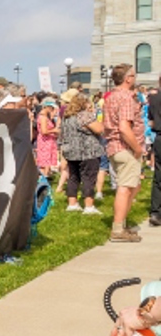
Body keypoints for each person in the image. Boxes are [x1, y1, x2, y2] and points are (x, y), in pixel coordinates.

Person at [103, 63, 144, 242]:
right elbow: (124, 127)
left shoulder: (112, 96)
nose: (134, 79)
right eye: (133, 76)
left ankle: (121, 223)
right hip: (125, 147)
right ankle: (118, 229)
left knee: (133, 185)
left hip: (114, 146)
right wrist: (137, 148)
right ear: (127, 79)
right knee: (125, 187)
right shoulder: (126, 98)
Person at [60, 94, 104, 215]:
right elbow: (99, 129)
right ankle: (89, 206)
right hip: (87, 151)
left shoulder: (67, 117)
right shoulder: (84, 115)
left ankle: (72, 203)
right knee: (89, 177)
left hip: (71, 151)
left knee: (73, 177)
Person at [36, 98, 60, 177]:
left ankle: (46, 176)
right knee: (45, 160)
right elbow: (44, 131)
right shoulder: (43, 117)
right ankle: (44, 178)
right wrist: (54, 130)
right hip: (45, 141)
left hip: (48, 141)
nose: (52, 109)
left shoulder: (45, 116)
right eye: (51, 107)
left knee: (47, 160)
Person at [149, 75, 161, 226]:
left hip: (159, 137)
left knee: (158, 177)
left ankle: (156, 212)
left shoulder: (153, 99)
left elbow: (151, 121)